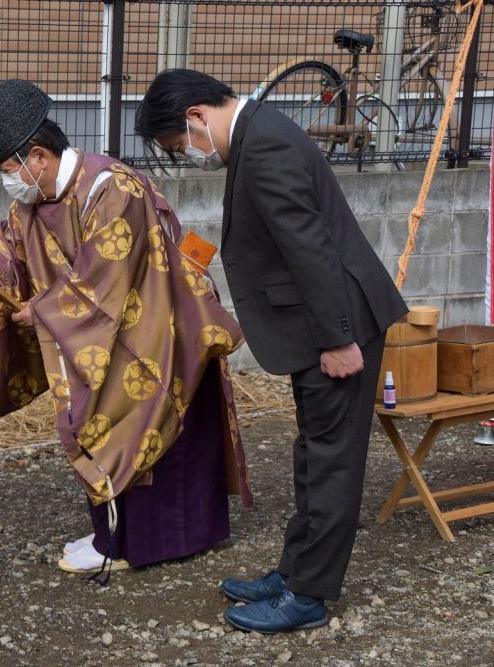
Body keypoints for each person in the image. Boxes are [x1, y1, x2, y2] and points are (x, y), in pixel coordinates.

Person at [0, 79, 252, 578]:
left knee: (141, 421)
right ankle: (114, 534)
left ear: (37, 157)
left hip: (160, 329)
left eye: (8, 170)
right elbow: (7, 245)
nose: (8, 184)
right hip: (103, 334)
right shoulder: (33, 200)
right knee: (97, 419)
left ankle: (146, 541)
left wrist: (43, 311)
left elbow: (106, 279)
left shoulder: (113, 188)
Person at [135, 69, 408, 633]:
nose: (187, 155)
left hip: (336, 326)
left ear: (196, 117)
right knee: (312, 454)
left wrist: (337, 338)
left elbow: (309, 247)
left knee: (331, 461)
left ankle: (308, 595)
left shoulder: (264, 145)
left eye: (179, 145)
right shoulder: (259, 134)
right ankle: (293, 570)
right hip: (319, 325)